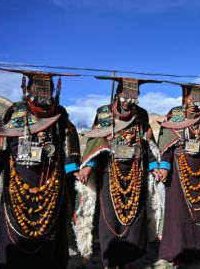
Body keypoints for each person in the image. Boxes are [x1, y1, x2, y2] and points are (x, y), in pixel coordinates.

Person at [0, 68, 80, 268]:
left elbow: (69, 152)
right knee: (13, 244)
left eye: (47, 91)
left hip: (51, 195)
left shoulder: (61, 116)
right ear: (27, 90)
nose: (43, 97)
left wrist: (76, 178)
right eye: (38, 91)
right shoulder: (14, 112)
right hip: (16, 195)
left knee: (48, 248)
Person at [74, 76, 162, 268]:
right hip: (110, 173)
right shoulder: (104, 113)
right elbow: (96, 142)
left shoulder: (142, 115)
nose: (130, 100)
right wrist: (88, 167)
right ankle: (110, 260)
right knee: (109, 219)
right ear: (118, 93)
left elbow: (148, 145)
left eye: (134, 95)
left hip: (136, 172)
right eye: (126, 95)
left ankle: (132, 260)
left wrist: (155, 167)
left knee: (135, 217)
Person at [156, 82, 200, 268]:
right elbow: (167, 144)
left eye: (198, 97)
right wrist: (164, 166)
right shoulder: (174, 115)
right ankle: (178, 253)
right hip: (179, 170)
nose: (195, 102)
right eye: (192, 97)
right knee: (177, 214)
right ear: (184, 97)